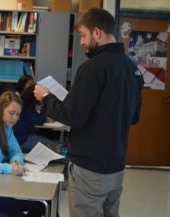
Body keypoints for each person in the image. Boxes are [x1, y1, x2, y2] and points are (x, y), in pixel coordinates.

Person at [34, 8, 144, 217]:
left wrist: (46, 98)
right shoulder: (133, 70)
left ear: (97, 32)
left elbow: (72, 116)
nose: (82, 42)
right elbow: (134, 117)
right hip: (116, 165)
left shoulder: (92, 68)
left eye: (83, 35)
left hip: (90, 167)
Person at [0, 91, 44, 217]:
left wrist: (15, 162)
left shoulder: (7, 128)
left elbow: (16, 151)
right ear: (1, 110)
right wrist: (9, 168)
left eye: (18, 114)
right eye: (11, 113)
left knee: (39, 206)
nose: (15, 118)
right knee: (31, 208)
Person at [13, 75, 63, 153]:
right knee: (56, 147)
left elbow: (35, 116)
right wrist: (46, 118)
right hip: (23, 139)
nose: (34, 87)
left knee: (53, 143)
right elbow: (36, 119)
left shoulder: (23, 101)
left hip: (23, 137)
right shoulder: (20, 102)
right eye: (30, 85)